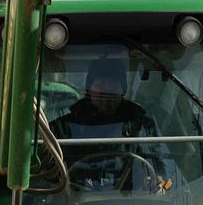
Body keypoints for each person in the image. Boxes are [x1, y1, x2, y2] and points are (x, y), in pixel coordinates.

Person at [50, 56, 172, 193]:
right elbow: (48, 175)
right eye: (100, 84)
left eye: (113, 84)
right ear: (90, 88)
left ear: (123, 89)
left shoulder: (141, 125)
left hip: (131, 202)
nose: (106, 92)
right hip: (75, 204)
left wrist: (158, 179)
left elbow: (156, 162)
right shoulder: (63, 127)